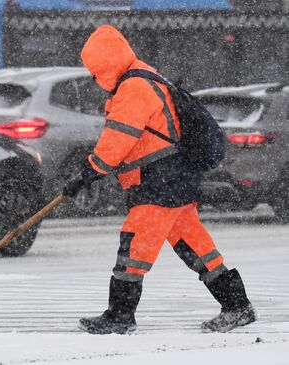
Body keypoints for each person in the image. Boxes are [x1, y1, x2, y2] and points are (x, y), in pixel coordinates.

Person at [64, 25, 256, 334]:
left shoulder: (134, 88)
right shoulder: (142, 78)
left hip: (160, 183)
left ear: (105, 65)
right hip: (174, 179)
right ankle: (237, 306)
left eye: (95, 71)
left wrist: (88, 172)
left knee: (134, 245)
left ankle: (120, 316)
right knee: (195, 246)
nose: (95, 79)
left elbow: (118, 140)